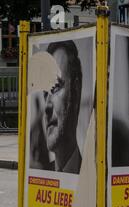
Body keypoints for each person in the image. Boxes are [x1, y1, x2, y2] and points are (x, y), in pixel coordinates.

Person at [40, 40, 83, 174]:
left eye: (55, 87)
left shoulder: (90, 175)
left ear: (76, 89)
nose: (47, 106)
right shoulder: (42, 178)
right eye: (45, 93)